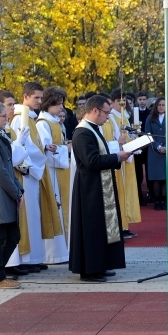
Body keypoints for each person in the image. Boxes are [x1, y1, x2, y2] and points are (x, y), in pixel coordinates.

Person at [69, 95, 132, 283]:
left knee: (101, 227)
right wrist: (117, 157)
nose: (108, 116)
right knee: (92, 229)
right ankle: (89, 270)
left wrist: (116, 156)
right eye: (106, 112)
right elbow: (91, 161)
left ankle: (100, 265)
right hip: (89, 189)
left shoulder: (93, 130)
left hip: (98, 186)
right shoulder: (82, 133)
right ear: (95, 110)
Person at [9, 82, 60, 273]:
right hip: (26, 173)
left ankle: (34, 257)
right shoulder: (18, 119)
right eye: (36, 98)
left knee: (34, 216)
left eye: (41, 97)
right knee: (27, 216)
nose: (39, 101)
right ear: (25, 97)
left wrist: (43, 150)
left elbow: (35, 147)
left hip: (33, 174)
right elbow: (21, 147)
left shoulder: (30, 118)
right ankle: (24, 258)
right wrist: (34, 166)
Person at [0, 101, 24, 289]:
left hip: (5, 189)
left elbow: (8, 166)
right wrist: (15, 190)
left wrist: (19, 189)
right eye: (3, 116)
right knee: (0, 234)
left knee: (12, 235)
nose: (7, 118)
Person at [36, 88, 70, 263]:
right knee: (56, 209)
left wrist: (64, 147)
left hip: (60, 171)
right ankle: (55, 254)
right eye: (58, 104)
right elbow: (47, 152)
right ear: (48, 103)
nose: (61, 107)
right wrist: (66, 149)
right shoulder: (43, 123)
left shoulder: (54, 121)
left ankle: (64, 251)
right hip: (52, 173)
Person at [110, 89, 140, 236]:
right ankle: (119, 226)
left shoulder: (125, 118)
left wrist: (136, 143)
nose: (123, 105)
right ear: (113, 102)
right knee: (120, 193)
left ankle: (125, 225)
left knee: (127, 192)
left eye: (125, 102)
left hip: (127, 158)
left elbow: (128, 137)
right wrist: (121, 144)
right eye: (119, 102)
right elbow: (116, 140)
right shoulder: (110, 118)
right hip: (119, 159)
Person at [145, 97, 167, 211]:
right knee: (157, 178)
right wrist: (158, 146)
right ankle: (157, 200)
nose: (161, 107)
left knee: (165, 177)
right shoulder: (150, 118)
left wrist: (166, 147)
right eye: (159, 105)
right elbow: (148, 135)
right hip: (154, 151)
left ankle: (164, 200)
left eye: (163, 105)